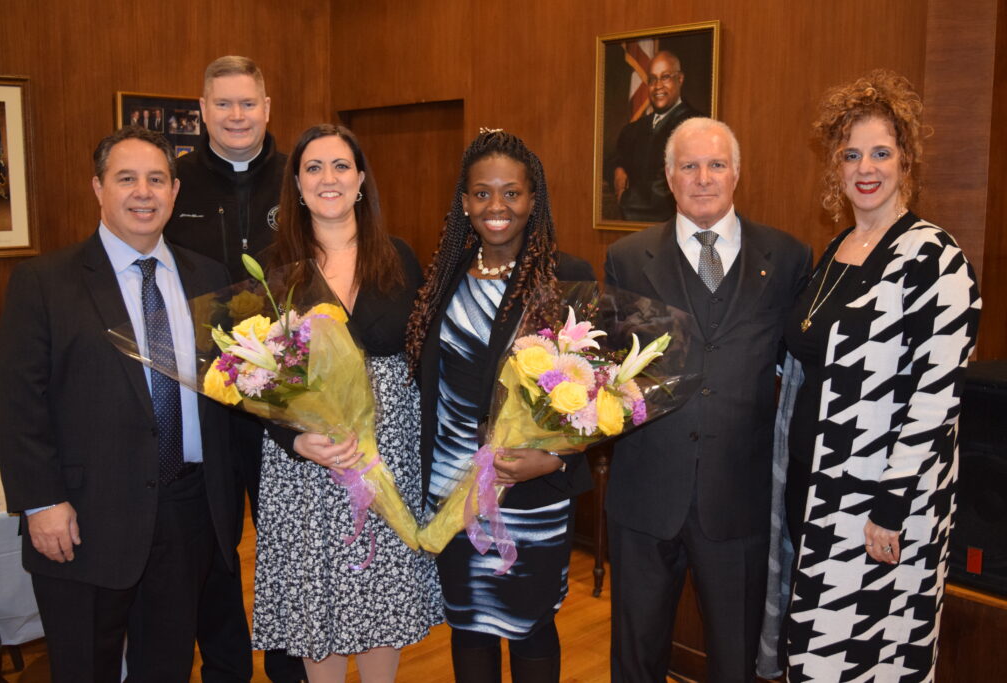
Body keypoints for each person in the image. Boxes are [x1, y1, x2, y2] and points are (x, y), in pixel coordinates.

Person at [0, 126, 239, 682]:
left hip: (187, 513)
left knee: (166, 668)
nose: (143, 193)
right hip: (82, 517)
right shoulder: (44, 282)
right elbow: (18, 403)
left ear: (176, 191)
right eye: (126, 179)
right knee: (85, 669)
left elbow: (231, 394)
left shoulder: (210, 279)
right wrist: (41, 502)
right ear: (97, 189)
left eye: (156, 179)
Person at [766, 69, 982, 683]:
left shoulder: (936, 259)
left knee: (867, 660)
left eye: (881, 152)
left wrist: (891, 508)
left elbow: (936, 399)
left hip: (877, 509)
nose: (866, 167)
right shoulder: (836, 248)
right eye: (851, 153)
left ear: (906, 160)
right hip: (816, 492)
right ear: (834, 166)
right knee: (812, 654)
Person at [605, 117, 812, 683]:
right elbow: (606, 371)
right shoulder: (626, 258)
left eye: (716, 165)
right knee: (635, 661)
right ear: (668, 178)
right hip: (645, 499)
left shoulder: (789, 258)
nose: (703, 178)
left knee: (735, 663)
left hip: (739, 501)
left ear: (737, 173)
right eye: (688, 166)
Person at [251, 123, 442, 683]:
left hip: (388, 457)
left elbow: (428, 359)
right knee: (321, 601)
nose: (327, 178)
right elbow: (251, 378)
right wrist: (296, 439)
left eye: (340, 166)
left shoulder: (400, 258)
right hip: (308, 465)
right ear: (297, 184)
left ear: (360, 180)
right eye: (313, 167)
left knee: (383, 591)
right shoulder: (274, 268)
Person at [405, 129, 595, 682]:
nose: (497, 207)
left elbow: (596, 396)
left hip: (529, 491)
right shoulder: (442, 278)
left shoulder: (567, 280)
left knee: (531, 624)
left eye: (511, 193)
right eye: (482, 193)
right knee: (468, 625)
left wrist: (558, 460)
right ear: (464, 202)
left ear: (533, 200)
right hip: (452, 488)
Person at [163, 55, 293, 682]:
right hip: (203, 400)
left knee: (287, 545)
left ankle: (289, 667)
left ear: (267, 108)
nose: (236, 116)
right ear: (203, 111)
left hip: (290, 399)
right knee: (215, 549)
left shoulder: (301, 175)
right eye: (223, 104)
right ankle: (226, 672)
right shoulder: (175, 181)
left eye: (248, 103)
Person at [609, 50, 703, 222]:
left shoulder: (695, 125)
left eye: (665, 77)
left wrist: (625, 198)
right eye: (652, 79)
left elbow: (666, 191)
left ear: (680, 79)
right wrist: (618, 168)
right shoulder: (633, 129)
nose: (658, 85)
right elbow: (618, 159)